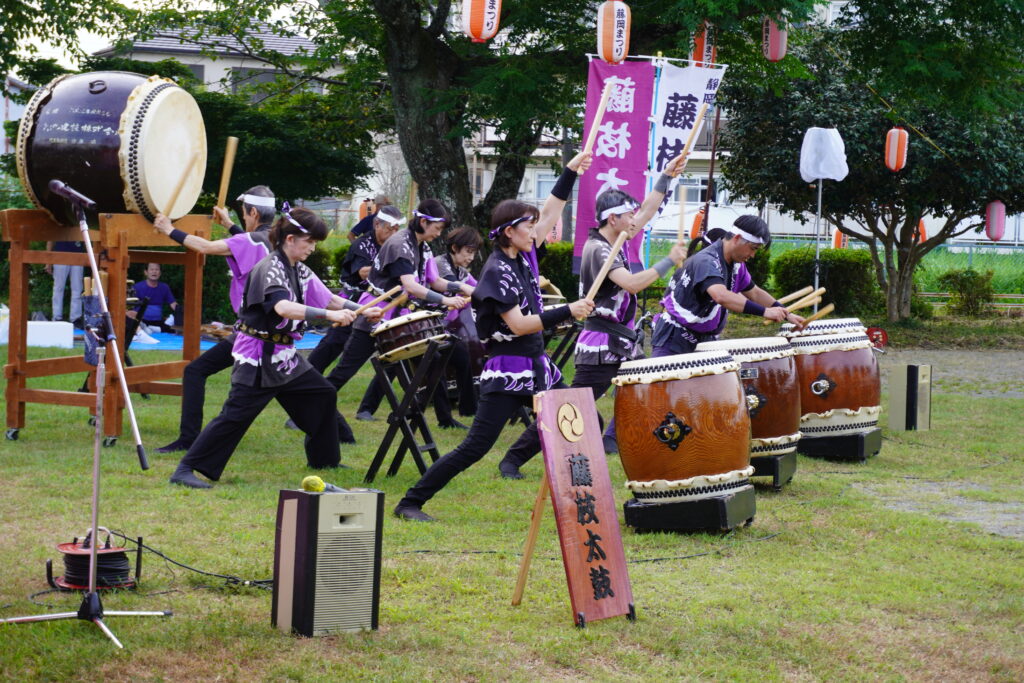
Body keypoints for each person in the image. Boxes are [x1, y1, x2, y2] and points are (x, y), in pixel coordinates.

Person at [393, 151, 594, 522]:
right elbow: (518, 325)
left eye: (535, 227)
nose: (537, 232)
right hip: (508, 367)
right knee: (475, 447)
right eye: (528, 227)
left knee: (575, 416)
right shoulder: (496, 270)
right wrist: (569, 309)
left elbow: (550, 213)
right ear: (508, 231)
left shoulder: (524, 257)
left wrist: (570, 173)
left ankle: (574, 497)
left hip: (536, 363)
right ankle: (411, 502)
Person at [497, 160, 690, 479]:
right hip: (601, 345)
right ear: (613, 218)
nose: (634, 220)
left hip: (621, 343)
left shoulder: (617, 238)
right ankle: (513, 459)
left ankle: (645, 449)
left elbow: (647, 212)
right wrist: (668, 261)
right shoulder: (598, 249)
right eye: (629, 215)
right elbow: (630, 284)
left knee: (647, 390)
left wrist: (667, 176)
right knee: (569, 407)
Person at [169, 206, 381, 489]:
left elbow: (329, 298)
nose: (313, 248)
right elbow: (282, 307)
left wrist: (363, 310)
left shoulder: (299, 269)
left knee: (323, 394)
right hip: (257, 355)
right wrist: (330, 317)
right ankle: (185, 469)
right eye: (310, 242)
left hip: (285, 357)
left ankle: (324, 459)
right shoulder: (269, 268)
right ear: (290, 238)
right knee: (236, 415)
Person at [152, 186, 282, 453]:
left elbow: (205, 247)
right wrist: (231, 224)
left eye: (244, 215)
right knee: (297, 385)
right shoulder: (276, 239)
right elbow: (249, 242)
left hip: (254, 332)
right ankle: (337, 432)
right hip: (270, 328)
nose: (244, 219)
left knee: (195, 371)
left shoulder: (251, 240)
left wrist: (169, 230)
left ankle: (189, 440)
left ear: (254, 212)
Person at [323, 198, 471, 414]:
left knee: (432, 360)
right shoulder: (400, 244)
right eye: (437, 228)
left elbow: (435, 281)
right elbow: (411, 286)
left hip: (401, 315)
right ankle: (305, 410)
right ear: (423, 222)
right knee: (346, 369)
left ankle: (442, 418)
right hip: (376, 313)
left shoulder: (424, 247)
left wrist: (464, 288)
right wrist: (446, 300)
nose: (439, 234)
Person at [651, 215, 805, 358]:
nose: (753, 255)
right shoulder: (706, 261)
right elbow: (721, 296)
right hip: (674, 336)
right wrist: (765, 312)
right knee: (668, 387)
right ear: (737, 238)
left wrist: (786, 313)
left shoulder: (737, 265)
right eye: (753, 248)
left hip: (704, 338)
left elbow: (755, 293)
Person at [306, 205, 403, 375]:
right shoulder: (362, 244)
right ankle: (308, 375)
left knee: (364, 351)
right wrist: (389, 269)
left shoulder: (395, 246)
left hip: (377, 304)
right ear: (377, 224)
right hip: (352, 300)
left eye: (397, 229)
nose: (394, 233)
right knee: (334, 342)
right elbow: (363, 272)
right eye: (390, 229)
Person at [46, 240, 85, 326]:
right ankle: (57, 317)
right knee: (58, 288)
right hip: (60, 255)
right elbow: (50, 240)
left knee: (77, 289)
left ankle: (76, 318)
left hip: (77, 255)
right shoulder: (57, 226)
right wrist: (48, 261)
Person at [130, 263, 178, 332]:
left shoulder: (164, 287)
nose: (154, 272)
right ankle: (147, 328)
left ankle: (151, 329)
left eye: (156, 269)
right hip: (141, 321)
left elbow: (173, 304)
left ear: (160, 273)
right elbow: (131, 307)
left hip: (158, 321)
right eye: (152, 269)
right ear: (146, 272)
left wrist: (181, 313)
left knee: (173, 329)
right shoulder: (137, 287)